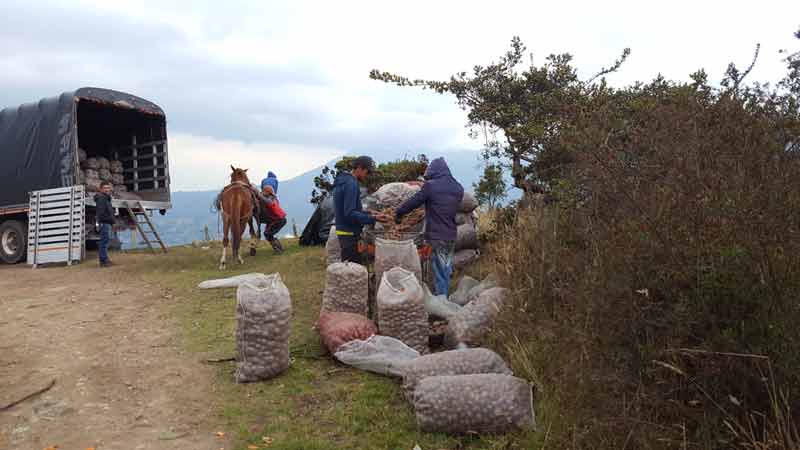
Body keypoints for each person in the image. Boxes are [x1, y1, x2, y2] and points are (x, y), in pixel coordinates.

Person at [395, 157, 464, 297]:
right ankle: (444, 297)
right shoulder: (458, 187)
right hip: (451, 234)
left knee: (438, 270)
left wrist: (399, 212)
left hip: (437, 235)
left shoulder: (431, 186)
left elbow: (415, 201)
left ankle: (441, 301)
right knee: (445, 268)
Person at [333, 156, 389, 263]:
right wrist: (374, 218)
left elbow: (349, 209)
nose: (367, 175)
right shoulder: (351, 184)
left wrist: (369, 212)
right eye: (367, 172)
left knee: (349, 268)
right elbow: (350, 213)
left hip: (343, 231)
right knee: (352, 271)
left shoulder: (343, 181)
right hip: (349, 233)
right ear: (359, 168)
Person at [259, 184, 287, 253]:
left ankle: (278, 249)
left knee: (267, 234)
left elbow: (262, 198)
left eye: (263, 192)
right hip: (278, 219)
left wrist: (255, 190)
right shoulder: (274, 198)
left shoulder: (269, 200)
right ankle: (279, 248)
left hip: (278, 220)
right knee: (268, 234)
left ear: (267, 193)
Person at [94, 181, 116, 267]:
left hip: (106, 222)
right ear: (101, 189)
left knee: (106, 241)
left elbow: (109, 211)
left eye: (108, 188)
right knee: (104, 242)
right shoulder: (101, 198)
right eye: (105, 188)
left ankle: (105, 259)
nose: (107, 189)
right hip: (104, 223)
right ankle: (103, 261)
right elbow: (101, 213)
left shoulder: (106, 198)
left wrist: (112, 221)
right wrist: (110, 221)